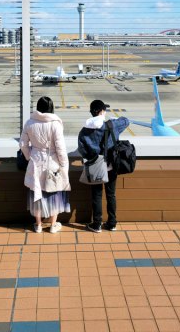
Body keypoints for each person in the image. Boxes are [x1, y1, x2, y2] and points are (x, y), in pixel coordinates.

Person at [78, 99, 130, 233]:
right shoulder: (112, 124)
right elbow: (126, 120)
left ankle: (97, 224)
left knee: (96, 194)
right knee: (111, 194)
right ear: (102, 111)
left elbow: (82, 149)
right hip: (111, 164)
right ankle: (112, 223)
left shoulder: (84, 130)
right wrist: (114, 118)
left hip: (95, 166)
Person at [20, 96, 70, 233]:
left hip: (35, 161)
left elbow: (23, 144)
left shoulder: (30, 122)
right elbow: (60, 148)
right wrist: (64, 165)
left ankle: (38, 225)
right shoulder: (55, 124)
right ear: (51, 108)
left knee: (36, 191)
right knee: (54, 191)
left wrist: (30, 156)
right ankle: (53, 225)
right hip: (52, 162)